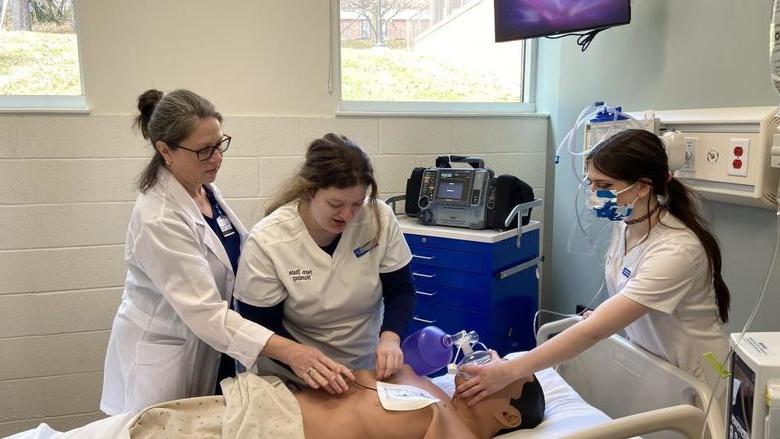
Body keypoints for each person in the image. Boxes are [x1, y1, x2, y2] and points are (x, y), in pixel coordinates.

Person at [101, 90, 352, 415]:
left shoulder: (206, 192)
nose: (217, 157)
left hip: (213, 348)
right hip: (168, 358)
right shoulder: (159, 218)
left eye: (220, 144)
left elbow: (245, 258)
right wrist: (291, 352)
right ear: (165, 150)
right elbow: (206, 313)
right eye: (204, 151)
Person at [457, 129, 731, 411]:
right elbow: (631, 298)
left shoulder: (676, 250)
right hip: (658, 365)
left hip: (698, 377)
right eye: (590, 183)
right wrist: (603, 315)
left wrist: (509, 371)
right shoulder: (626, 225)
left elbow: (593, 333)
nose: (593, 193)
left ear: (642, 186)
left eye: (604, 185)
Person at [233, 133, 417, 385]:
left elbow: (402, 291)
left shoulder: (378, 219)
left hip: (363, 368)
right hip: (294, 373)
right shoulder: (269, 241)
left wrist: (390, 338)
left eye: (357, 203)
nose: (348, 214)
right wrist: (308, 363)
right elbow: (259, 325)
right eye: (335, 204)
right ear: (309, 192)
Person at [127, 358, 545, 439]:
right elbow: (394, 366)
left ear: (507, 417)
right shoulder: (435, 390)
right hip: (269, 401)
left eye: (500, 380)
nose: (484, 375)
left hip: (281, 432)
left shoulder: (454, 433)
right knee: (147, 423)